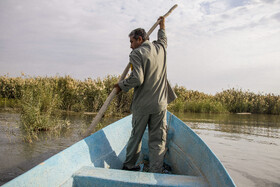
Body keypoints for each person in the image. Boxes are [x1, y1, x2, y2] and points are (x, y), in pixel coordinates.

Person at [114, 17, 175, 173]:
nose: (130, 46)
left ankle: (129, 166)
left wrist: (121, 85)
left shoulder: (136, 53)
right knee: (158, 140)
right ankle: (156, 169)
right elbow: (163, 38)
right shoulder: (161, 48)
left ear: (140, 39)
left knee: (136, 137)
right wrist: (162, 25)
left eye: (132, 42)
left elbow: (137, 78)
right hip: (160, 105)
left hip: (142, 106)